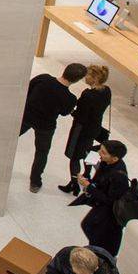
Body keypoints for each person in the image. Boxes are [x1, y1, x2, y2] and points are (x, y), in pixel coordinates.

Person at [20, 62, 87, 193]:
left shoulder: (43, 78)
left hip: (26, 117)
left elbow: (27, 89)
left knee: (7, 139)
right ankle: (35, 182)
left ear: (65, 70)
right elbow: (64, 112)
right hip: (46, 126)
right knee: (41, 153)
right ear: (77, 80)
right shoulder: (70, 98)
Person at [72, 140, 131, 254]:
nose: (99, 153)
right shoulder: (106, 163)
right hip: (102, 207)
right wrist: (88, 184)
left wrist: (89, 187)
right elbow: (99, 181)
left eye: (103, 152)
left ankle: (98, 256)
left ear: (114, 158)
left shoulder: (118, 176)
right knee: (88, 226)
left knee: (95, 232)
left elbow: (110, 201)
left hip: (110, 213)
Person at [60, 65, 111, 195]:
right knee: (88, 151)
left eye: (87, 75)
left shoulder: (88, 95)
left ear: (95, 78)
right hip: (95, 128)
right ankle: (87, 175)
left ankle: (74, 183)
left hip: (81, 129)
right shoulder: (107, 91)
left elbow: (81, 115)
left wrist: (72, 111)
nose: (85, 78)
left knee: (74, 156)